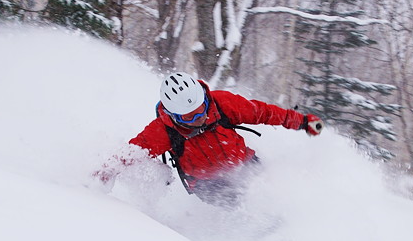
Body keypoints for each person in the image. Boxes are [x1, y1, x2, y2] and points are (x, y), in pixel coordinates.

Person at [95, 72, 323, 205]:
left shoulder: (222, 103)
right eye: (190, 116)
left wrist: (302, 121)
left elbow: (263, 112)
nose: (200, 117)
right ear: (174, 116)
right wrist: (105, 171)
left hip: (244, 163)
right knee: (246, 206)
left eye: (201, 107)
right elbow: (135, 151)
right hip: (207, 183)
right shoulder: (163, 131)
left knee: (275, 198)